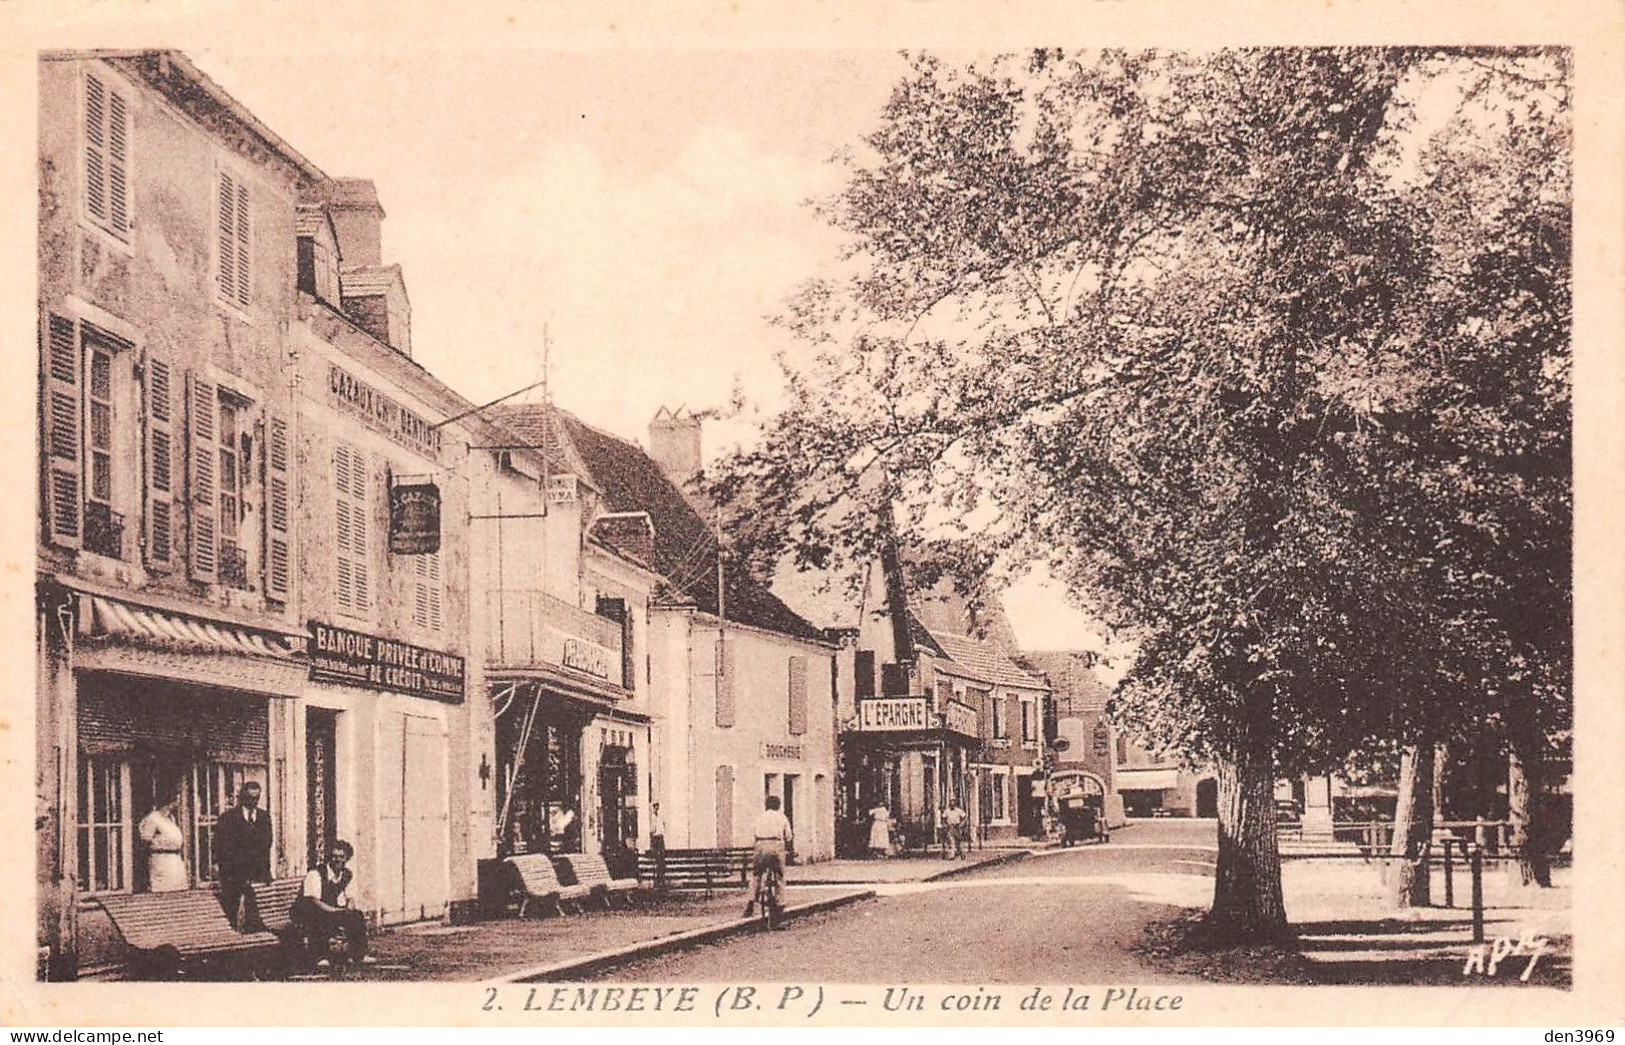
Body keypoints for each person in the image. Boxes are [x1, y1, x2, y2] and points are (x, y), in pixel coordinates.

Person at [291, 840, 376, 967]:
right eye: (334, 856)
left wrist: (349, 909)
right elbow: (313, 901)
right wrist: (335, 911)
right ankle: (320, 956)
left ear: (346, 859)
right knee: (320, 917)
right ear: (329, 857)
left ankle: (358, 954)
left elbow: (351, 897)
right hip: (306, 911)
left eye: (341, 857)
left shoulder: (346, 874)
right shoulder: (316, 873)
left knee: (356, 915)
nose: (337, 860)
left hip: (329, 909)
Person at [215, 781, 272, 930]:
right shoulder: (228, 818)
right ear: (243, 797)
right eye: (250, 797)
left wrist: (265, 873)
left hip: (257, 875)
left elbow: (266, 845)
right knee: (232, 917)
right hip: (234, 876)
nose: (254, 801)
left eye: (257, 798)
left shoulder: (264, 817)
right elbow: (222, 848)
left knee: (256, 916)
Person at [744, 795, 792, 920]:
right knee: (779, 876)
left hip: (760, 845)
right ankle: (780, 905)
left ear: (766, 805)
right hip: (776, 846)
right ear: (778, 805)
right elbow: (788, 836)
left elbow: (752, 835)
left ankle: (750, 902)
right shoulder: (782, 817)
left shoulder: (760, 817)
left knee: (756, 875)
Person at [137, 787, 188, 892]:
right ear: (170, 802)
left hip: (175, 861)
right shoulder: (153, 818)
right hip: (161, 861)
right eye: (177, 800)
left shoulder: (171, 818)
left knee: (178, 890)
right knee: (163, 891)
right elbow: (145, 840)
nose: (178, 803)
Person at [649, 802, 667, 890]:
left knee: (661, 858)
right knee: (657, 858)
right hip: (655, 838)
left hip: (660, 837)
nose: (656, 808)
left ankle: (661, 878)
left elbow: (663, 826)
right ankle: (658, 879)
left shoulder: (660, 816)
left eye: (657, 807)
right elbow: (652, 829)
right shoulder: (652, 817)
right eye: (654, 807)